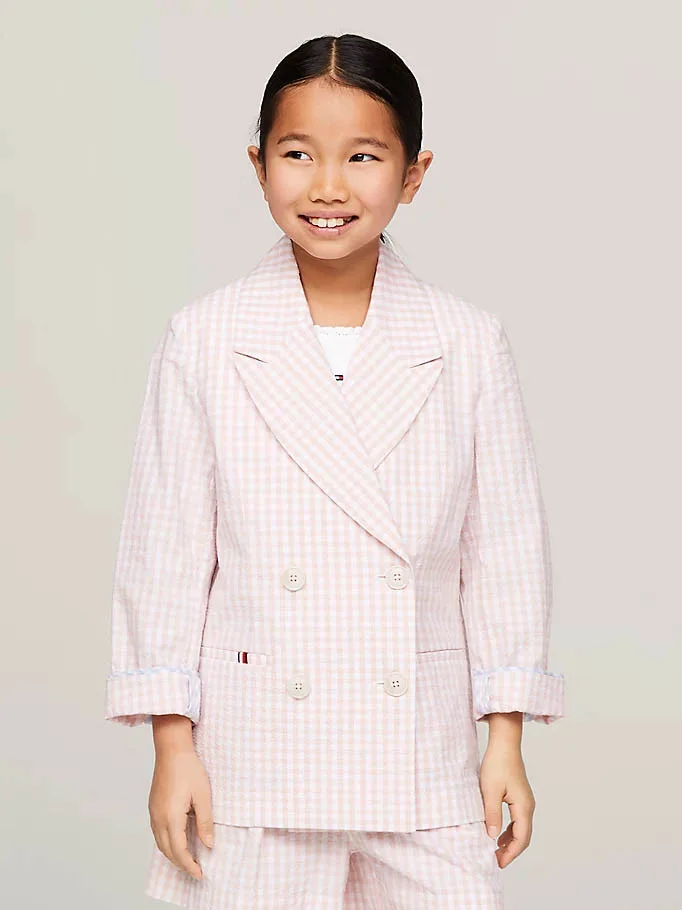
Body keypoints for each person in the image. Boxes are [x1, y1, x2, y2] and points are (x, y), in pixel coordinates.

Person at [105, 32, 565, 910]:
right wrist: (173, 747)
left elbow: (503, 554)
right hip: (254, 758)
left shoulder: (467, 343)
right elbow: (165, 556)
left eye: (362, 156)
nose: (327, 186)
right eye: (297, 154)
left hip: (421, 756)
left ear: (414, 173)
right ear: (257, 166)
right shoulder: (206, 339)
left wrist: (504, 738)